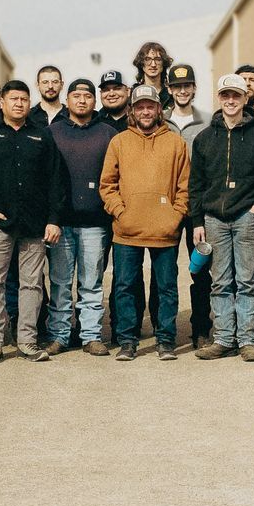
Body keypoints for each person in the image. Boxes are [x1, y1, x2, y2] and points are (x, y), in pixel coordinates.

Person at [0, 79, 64, 364]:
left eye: (23, 99)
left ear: (28, 103)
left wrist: (53, 220)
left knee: (32, 285)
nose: (19, 103)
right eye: (13, 99)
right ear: (3, 103)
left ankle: (28, 341)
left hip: (34, 225)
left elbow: (56, 181)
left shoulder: (42, 136)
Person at [188, 74, 254, 361]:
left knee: (247, 280)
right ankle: (224, 338)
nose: (230, 101)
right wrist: (197, 221)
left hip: (246, 217)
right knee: (220, 281)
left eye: (236, 96)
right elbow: (196, 184)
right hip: (214, 218)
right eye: (226, 95)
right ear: (219, 97)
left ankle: (248, 340)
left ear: (245, 99)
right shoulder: (205, 138)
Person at [100, 83, 189, 361]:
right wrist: (120, 212)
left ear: (159, 109)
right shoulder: (119, 142)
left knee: (166, 287)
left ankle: (165, 340)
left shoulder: (175, 142)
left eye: (151, 106)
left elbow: (185, 186)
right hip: (127, 229)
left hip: (165, 230)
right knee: (125, 285)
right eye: (140, 107)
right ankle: (128, 340)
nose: (146, 111)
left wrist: (175, 215)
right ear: (132, 110)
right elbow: (107, 185)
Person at [46, 78, 118, 356]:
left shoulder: (108, 133)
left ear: (95, 101)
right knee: (60, 283)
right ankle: (60, 335)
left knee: (91, 283)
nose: (82, 100)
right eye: (76, 95)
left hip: (95, 223)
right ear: (67, 100)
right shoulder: (52, 132)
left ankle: (90, 335)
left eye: (87, 95)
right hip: (61, 223)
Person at [164, 62, 213, 347]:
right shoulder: (160, 121)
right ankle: (164, 331)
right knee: (165, 272)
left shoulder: (207, 121)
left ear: (194, 88)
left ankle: (201, 330)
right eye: (177, 86)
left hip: (198, 208)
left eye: (187, 86)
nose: (182, 91)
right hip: (167, 208)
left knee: (200, 270)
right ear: (169, 90)